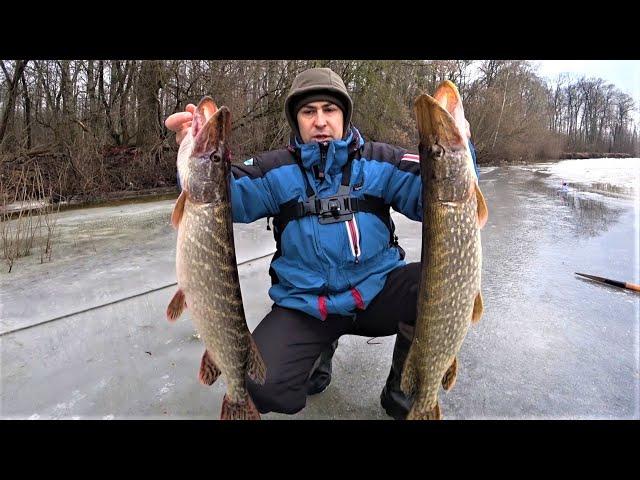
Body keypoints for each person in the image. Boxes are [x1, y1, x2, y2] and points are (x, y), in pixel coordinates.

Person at [165, 67, 479, 419]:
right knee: (260, 383)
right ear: (296, 120)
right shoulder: (274, 169)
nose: (320, 121)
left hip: (377, 294)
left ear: (343, 115)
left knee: (440, 286)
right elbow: (219, 196)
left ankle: (405, 390)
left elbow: (438, 194)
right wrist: (188, 156)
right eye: (308, 111)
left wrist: (463, 151)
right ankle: (318, 354)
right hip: (308, 307)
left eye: (330, 110)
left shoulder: (382, 161)